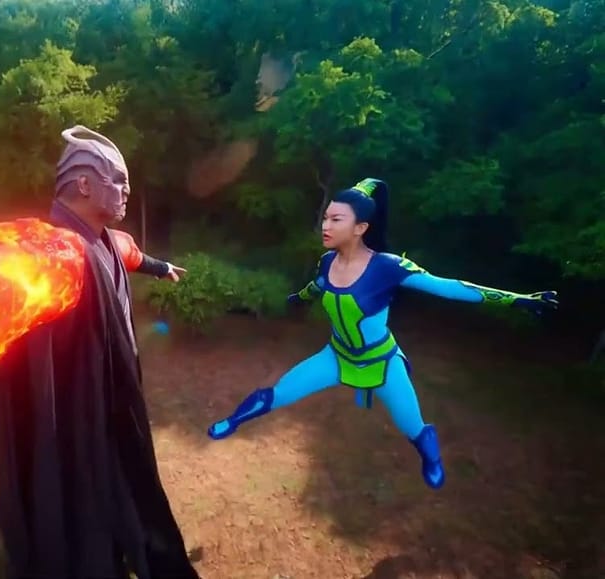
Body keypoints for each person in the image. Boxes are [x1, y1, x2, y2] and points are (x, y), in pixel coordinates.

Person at [206, 178, 558, 490]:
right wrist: (296, 298)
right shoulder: (327, 261)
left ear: (360, 228)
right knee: (278, 392)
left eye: (336, 219)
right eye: (326, 217)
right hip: (336, 356)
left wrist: (518, 300)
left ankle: (431, 459)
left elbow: (451, 287)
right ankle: (233, 420)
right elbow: (318, 286)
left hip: (382, 364)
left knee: (413, 427)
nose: (325, 226)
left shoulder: (389, 267)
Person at [0, 125, 199, 578]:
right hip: (75, 408)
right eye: (118, 180)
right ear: (84, 184)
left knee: (121, 478)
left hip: (112, 394)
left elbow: (132, 256)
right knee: (83, 489)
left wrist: (162, 268)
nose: (127, 191)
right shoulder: (51, 255)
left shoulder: (106, 239)